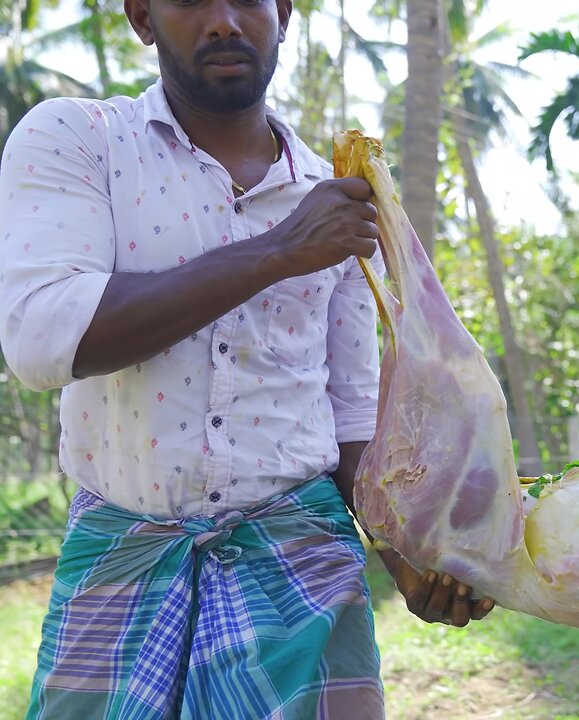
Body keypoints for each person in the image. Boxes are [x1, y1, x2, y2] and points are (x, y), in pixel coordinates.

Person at [0, 0, 491, 716]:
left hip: (303, 565)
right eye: (193, 0)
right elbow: (43, 338)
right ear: (142, 17)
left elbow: (349, 408)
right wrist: (279, 251)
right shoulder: (80, 140)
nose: (225, 21)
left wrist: (405, 559)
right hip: (122, 556)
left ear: (284, 13)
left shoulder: (335, 195)